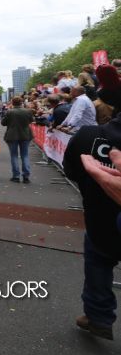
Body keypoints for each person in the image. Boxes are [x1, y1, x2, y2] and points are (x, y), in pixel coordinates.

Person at [64, 96, 121, 341]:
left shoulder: (88, 135)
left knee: (98, 261)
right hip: (102, 217)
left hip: (101, 217)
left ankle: (98, 317)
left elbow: (71, 170)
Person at [1, 97, 35, 183]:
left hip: (12, 135)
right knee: (25, 155)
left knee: (14, 155)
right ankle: (26, 176)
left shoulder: (9, 112)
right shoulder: (28, 111)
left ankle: (16, 176)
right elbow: (31, 120)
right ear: (21, 102)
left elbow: (3, 123)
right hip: (25, 135)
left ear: (12, 103)